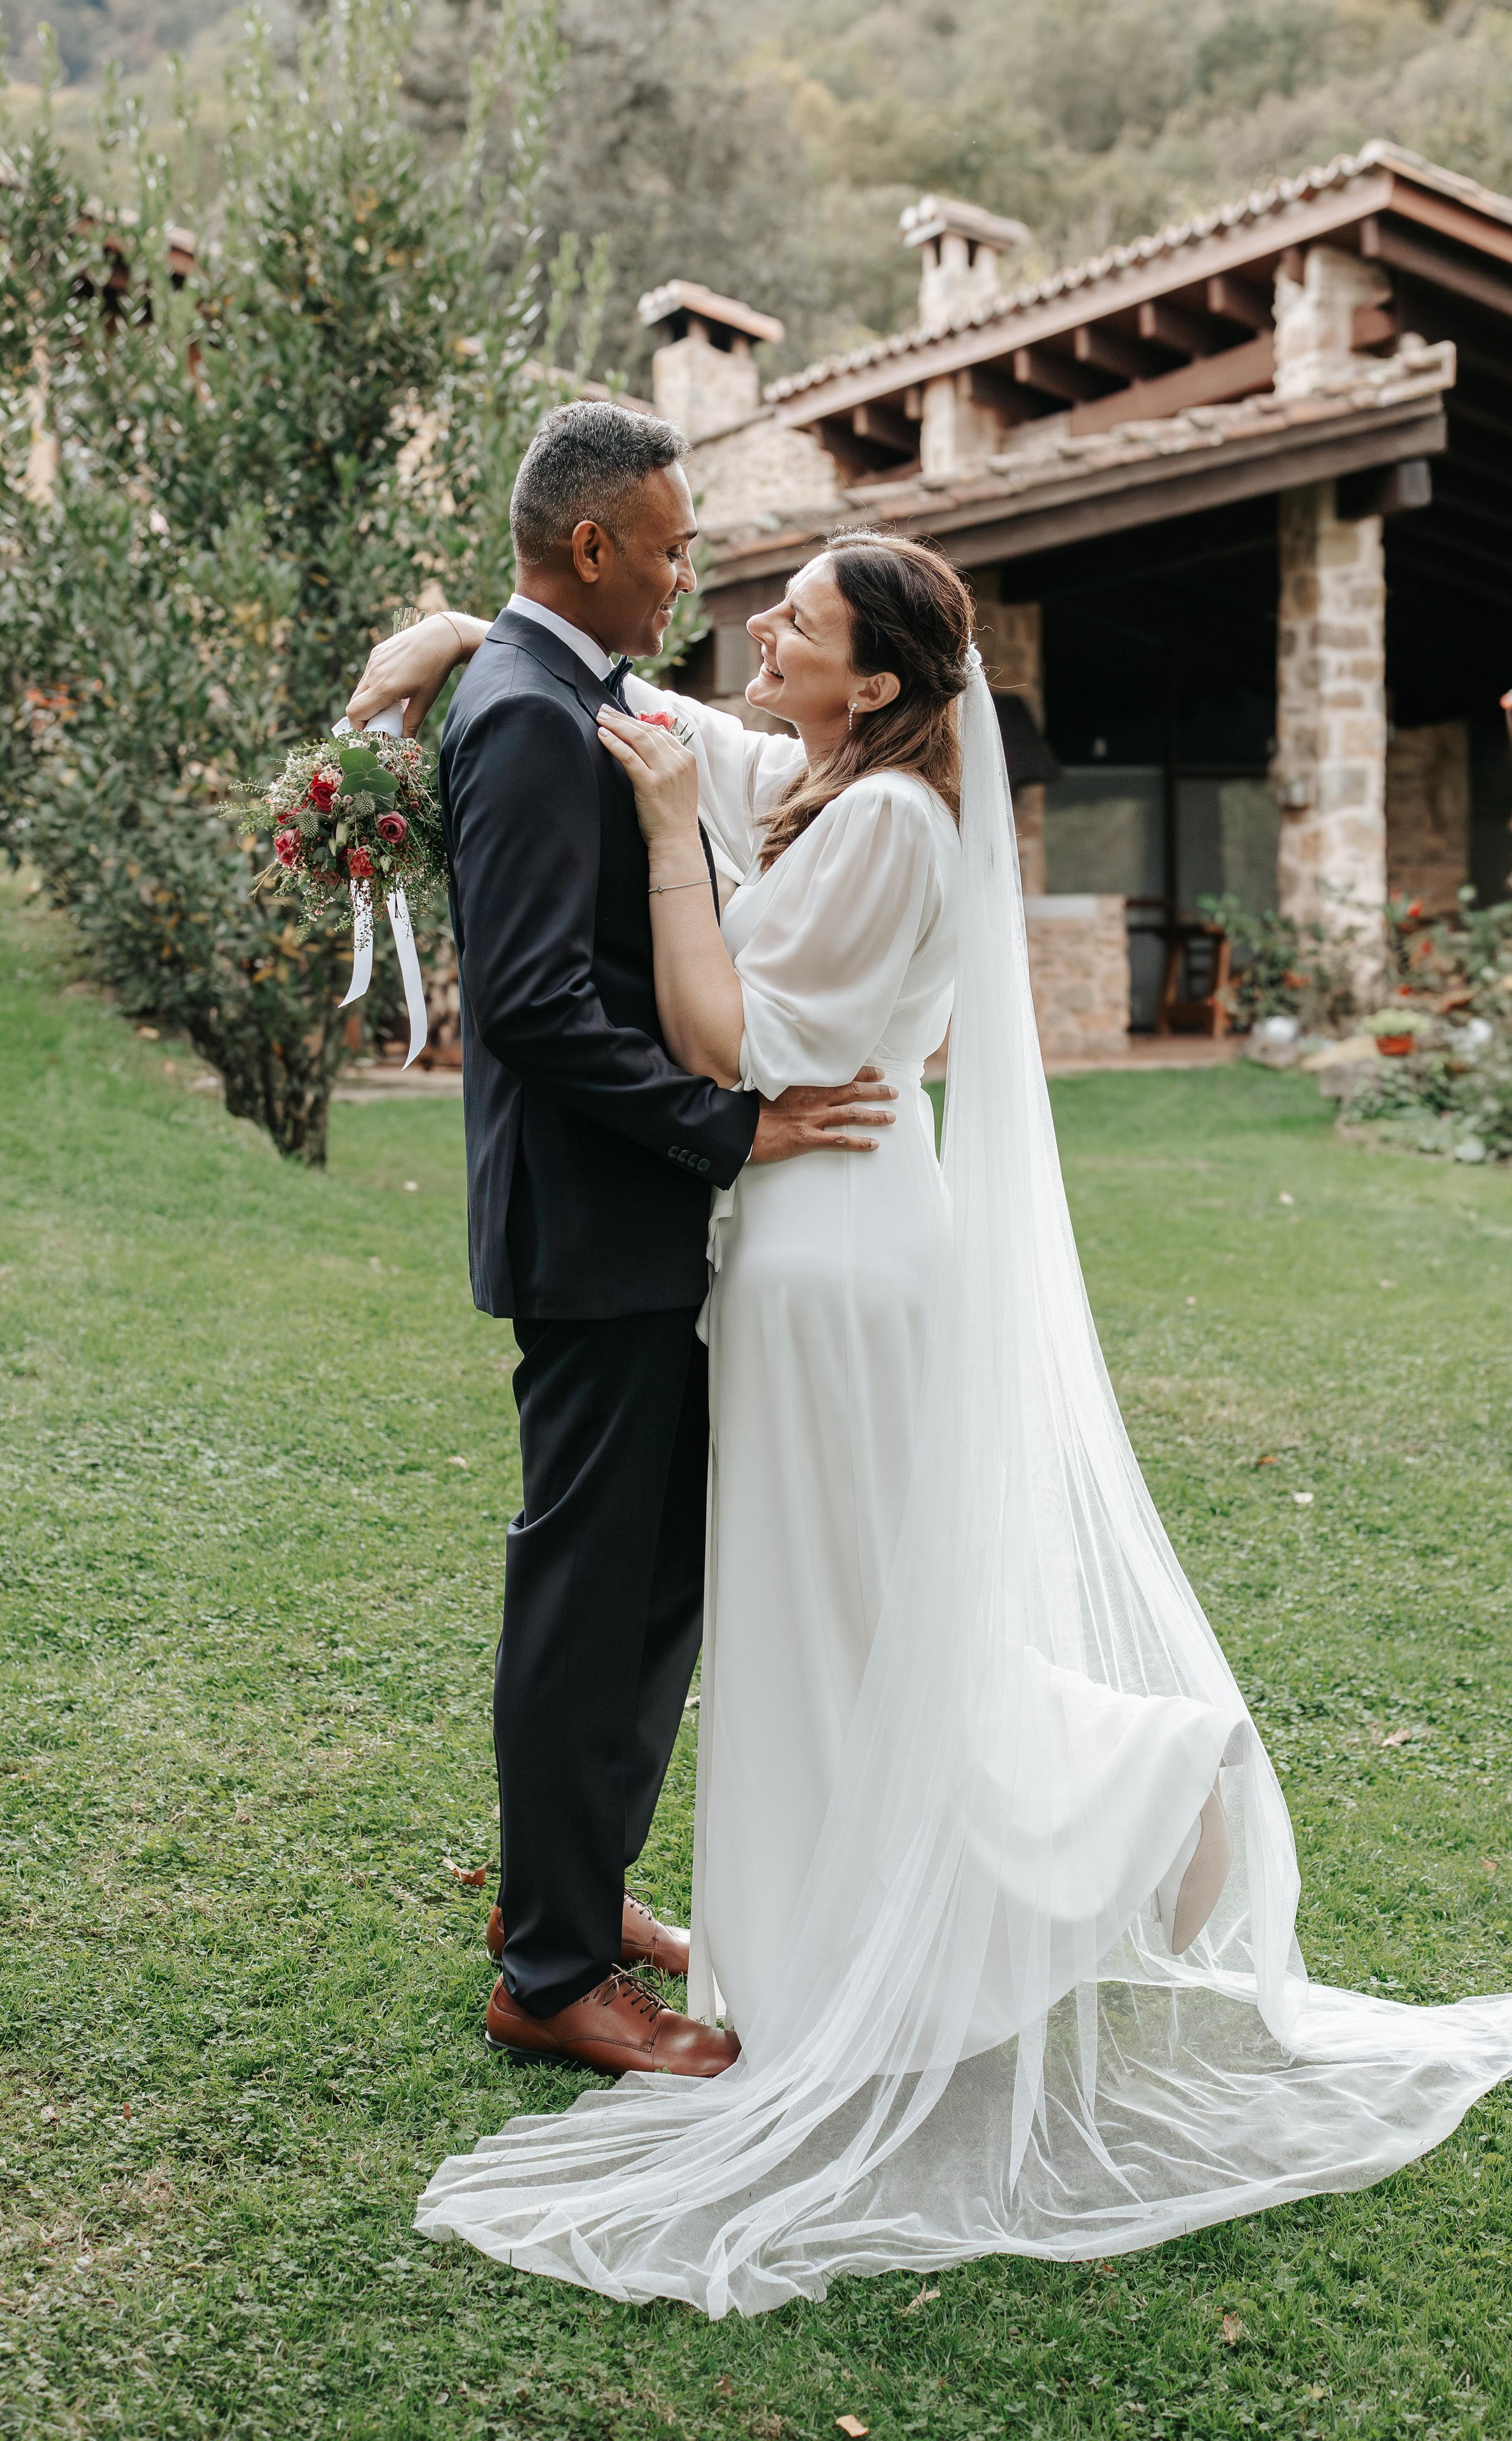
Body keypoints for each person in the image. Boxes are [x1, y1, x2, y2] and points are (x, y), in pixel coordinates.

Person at [350, 510, 1512, 2320]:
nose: (758, 633)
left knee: (860, 1611)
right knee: (826, 1618)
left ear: (880, 678)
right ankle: (836, 1934)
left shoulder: (893, 823)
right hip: (800, 1256)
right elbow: (680, 716)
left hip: (835, 1259)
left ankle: (1141, 1777)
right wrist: (466, 631)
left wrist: (675, 847)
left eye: (798, 623)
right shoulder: (828, 768)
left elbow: (714, 1034)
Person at [393, 401, 898, 2084]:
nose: (694, 575)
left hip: (631, 1225)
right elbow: (533, 1004)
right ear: (592, 545)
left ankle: (576, 1890)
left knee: (653, 1574)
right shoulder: (532, 716)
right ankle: (549, 1973)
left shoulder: (568, 687)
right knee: (585, 1592)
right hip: (592, 1226)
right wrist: (727, 1129)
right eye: (674, 546)